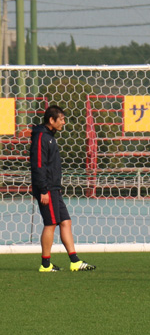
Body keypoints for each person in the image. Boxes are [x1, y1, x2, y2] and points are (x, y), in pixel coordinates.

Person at [30, 105, 95, 272]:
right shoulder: (41, 137)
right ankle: (45, 264)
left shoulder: (49, 137)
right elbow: (38, 165)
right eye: (61, 119)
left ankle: (75, 261)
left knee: (66, 221)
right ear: (51, 120)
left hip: (54, 188)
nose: (64, 122)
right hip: (47, 189)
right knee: (50, 223)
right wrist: (43, 190)